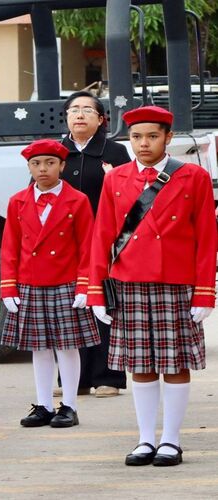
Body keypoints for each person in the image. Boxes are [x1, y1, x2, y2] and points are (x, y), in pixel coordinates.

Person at [88, 106, 217, 467]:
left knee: (175, 364)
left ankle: (171, 440)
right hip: (129, 281)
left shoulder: (192, 176)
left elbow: (207, 236)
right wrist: (97, 290)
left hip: (175, 281)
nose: (143, 143)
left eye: (152, 136)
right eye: (136, 137)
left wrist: (205, 291)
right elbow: (102, 235)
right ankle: (145, 439)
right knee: (140, 364)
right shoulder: (116, 178)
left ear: (168, 138)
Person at [0, 140, 100, 429]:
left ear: (62, 166)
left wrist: (84, 285)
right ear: (29, 167)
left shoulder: (77, 200)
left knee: (67, 347)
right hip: (30, 282)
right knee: (39, 348)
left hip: (66, 281)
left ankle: (69, 405)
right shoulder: (17, 201)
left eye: (50, 163)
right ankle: (43, 404)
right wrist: (8, 286)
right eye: (36, 164)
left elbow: (87, 246)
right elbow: (10, 246)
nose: (42, 169)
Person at [60, 91, 131, 398]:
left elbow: (131, 195)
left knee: (104, 307)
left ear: (101, 119)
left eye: (88, 110)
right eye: (74, 109)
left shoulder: (114, 152)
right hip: (65, 244)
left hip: (106, 240)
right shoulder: (56, 152)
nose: (79, 114)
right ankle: (74, 379)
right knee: (71, 308)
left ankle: (108, 377)